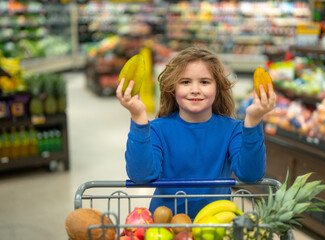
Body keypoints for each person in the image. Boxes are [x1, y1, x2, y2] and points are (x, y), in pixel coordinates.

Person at [116, 45, 276, 218]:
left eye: (204, 82)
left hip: (217, 224)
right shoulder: (157, 129)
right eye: (185, 82)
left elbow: (251, 174)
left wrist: (253, 120)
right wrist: (138, 116)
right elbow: (141, 176)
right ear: (173, 88)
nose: (195, 90)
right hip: (166, 225)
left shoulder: (233, 129)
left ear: (217, 87)